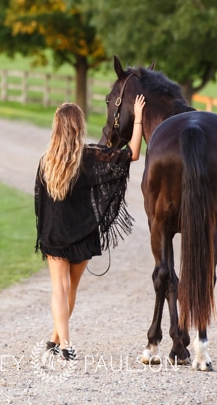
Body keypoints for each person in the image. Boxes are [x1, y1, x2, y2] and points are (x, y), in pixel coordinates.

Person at [34, 95, 146, 361]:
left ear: (56, 127)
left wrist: (44, 234)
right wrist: (139, 118)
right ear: (79, 127)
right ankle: (58, 340)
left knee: (59, 288)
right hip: (82, 235)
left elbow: (40, 204)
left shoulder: (45, 162)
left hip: (56, 236)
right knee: (70, 289)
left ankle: (62, 342)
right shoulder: (91, 157)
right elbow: (132, 153)